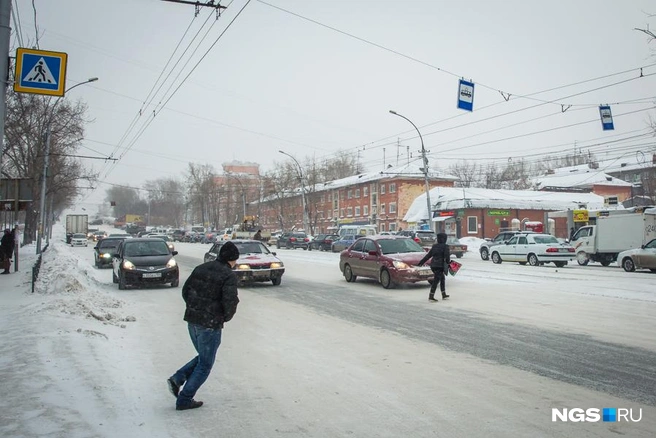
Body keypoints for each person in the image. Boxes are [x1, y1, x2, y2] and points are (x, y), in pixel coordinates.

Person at [167, 241, 241, 411]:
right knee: (205, 364)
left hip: (193, 320)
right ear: (231, 259)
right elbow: (230, 301)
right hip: (210, 323)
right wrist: (223, 317)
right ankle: (184, 399)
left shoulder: (202, 268)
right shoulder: (228, 275)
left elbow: (186, 291)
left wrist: (194, 308)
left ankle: (178, 378)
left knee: (203, 357)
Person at [417, 232, 450, 302]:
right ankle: (431, 296)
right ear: (444, 239)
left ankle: (443, 294)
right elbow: (447, 257)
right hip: (440, 266)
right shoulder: (445, 246)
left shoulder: (434, 246)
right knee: (436, 281)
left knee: (442, 279)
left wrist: (421, 263)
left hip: (433, 265)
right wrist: (449, 263)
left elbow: (428, 256)